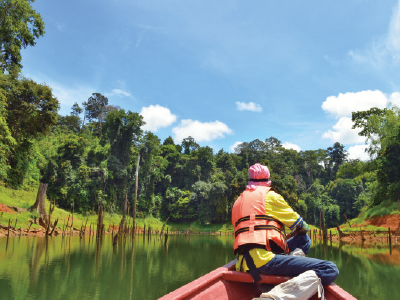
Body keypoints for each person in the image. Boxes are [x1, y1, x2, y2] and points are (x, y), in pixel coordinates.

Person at [232, 163, 339, 286]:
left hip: (242, 263)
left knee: (303, 240)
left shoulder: (238, 201)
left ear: (249, 180)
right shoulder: (270, 196)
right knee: (329, 269)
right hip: (263, 262)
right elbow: (304, 227)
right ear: (268, 180)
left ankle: (288, 265)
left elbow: (251, 233)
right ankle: (282, 292)